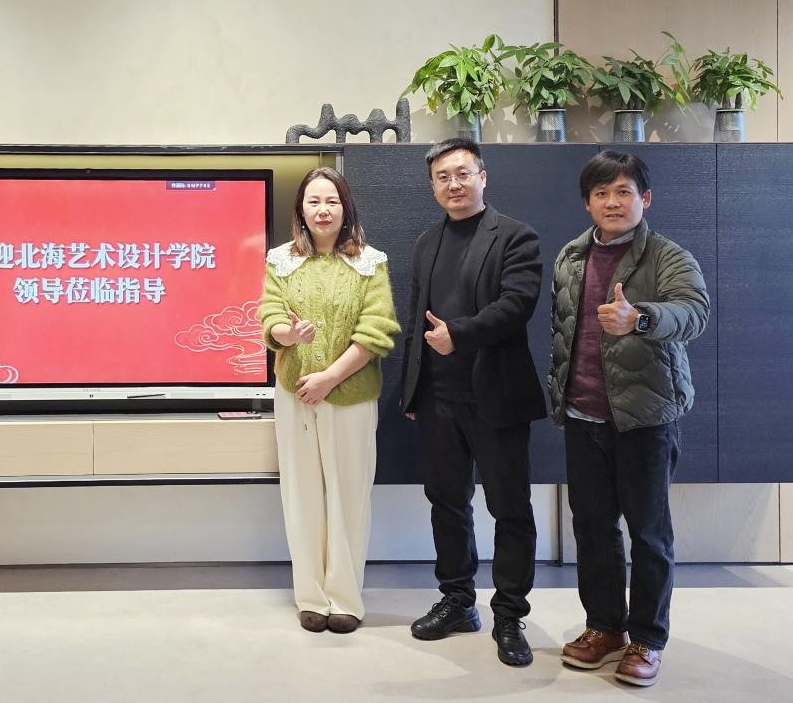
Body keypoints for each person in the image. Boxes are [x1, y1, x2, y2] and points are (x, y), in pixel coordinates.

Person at [549, 151, 708, 687]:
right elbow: (562, 333)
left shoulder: (667, 256)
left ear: (645, 198)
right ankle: (605, 627)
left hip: (645, 418)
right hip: (583, 414)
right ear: (587, 203)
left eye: (623, 191)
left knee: (648, 533)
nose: (612, 202)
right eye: (601, 193)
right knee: (592, 529)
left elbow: (694, 313)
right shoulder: (571, 257)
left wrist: (640, 317)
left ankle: (647, 638)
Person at [400, 138, 545, 667]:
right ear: (432, 186)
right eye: (443, 177)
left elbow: (517, 305)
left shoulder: (516, 236)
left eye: (463, 173)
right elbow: (416, 319)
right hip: (438, 398)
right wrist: (413, 388)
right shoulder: (426, 242)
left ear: (483, 176)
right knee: (447, 502)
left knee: (509, 508)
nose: (454, 184)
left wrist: (458, 335)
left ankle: (509, 613)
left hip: (496, 396)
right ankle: (458, 600)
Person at [259, 167, 399, 634]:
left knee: (348, 494)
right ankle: (311, 597)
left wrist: (330, 377)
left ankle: (345, 599)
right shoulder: (280, 261)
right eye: (314, 201)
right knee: (300, 493)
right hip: (294, 393)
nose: (323, 210)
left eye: (332, 201)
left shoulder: (370, 263)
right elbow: (270, 317)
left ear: (346, 208)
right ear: (300, 209)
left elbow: (377, 330)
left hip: (351, 394)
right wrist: (289, 334)